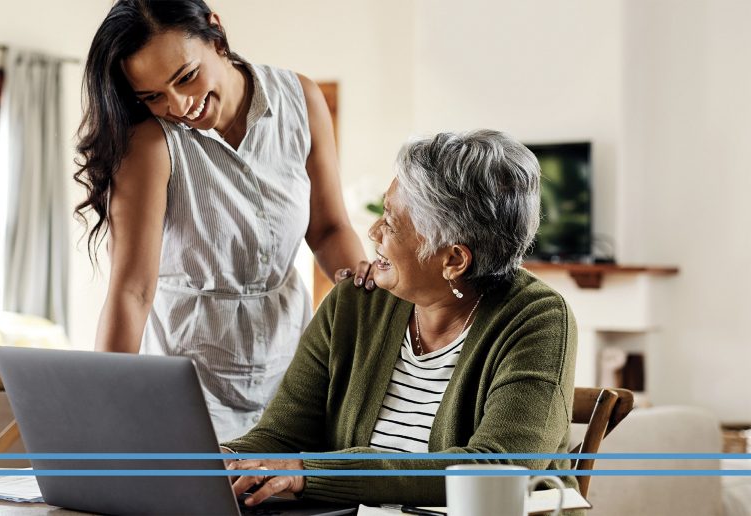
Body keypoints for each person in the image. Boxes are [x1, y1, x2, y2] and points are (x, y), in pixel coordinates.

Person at [222, 130, 580, 508]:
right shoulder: (355, 302)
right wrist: (223, 457)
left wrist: (310, 471)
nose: (373, 233)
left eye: (390, 224)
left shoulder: (538, 318)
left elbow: (498, 466)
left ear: (454, 260)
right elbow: (281, 436)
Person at [74, 0, 373, 441]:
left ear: (216, 35)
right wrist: (104, 411)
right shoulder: (151, 144)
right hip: (189, 379)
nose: (179, 106)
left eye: (186, 77)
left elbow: (328, 229)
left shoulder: (300, 100)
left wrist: (363, 296)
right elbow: (132, 291)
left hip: (292, 369)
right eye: (152, 96)